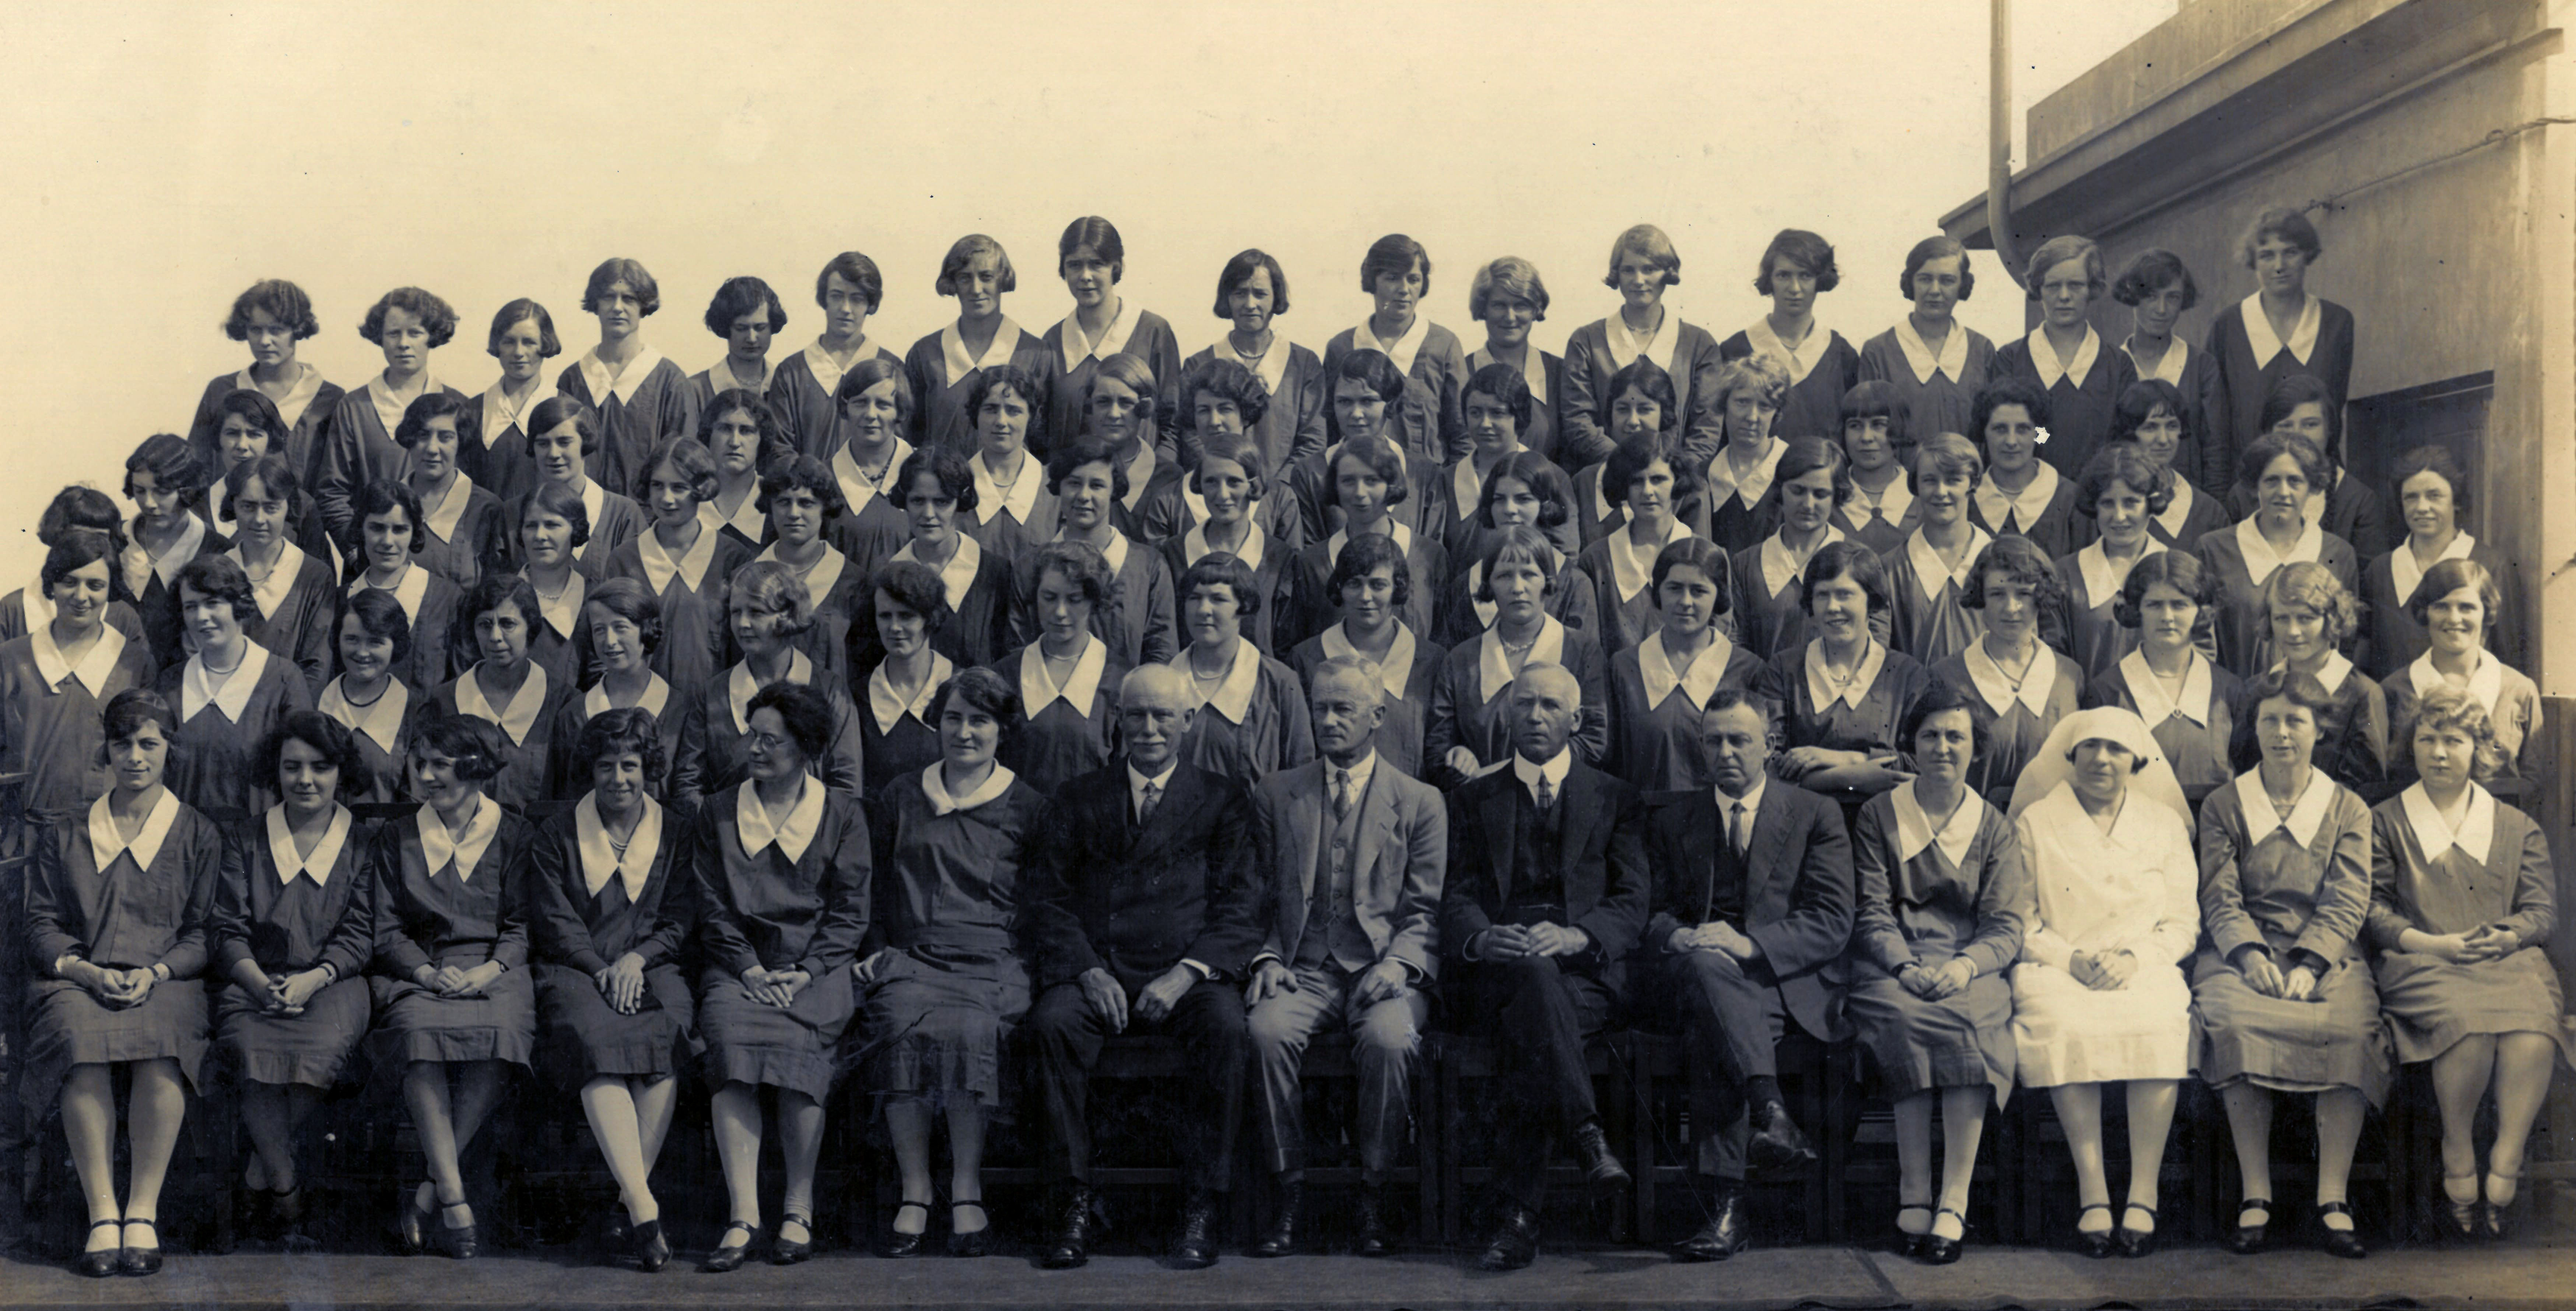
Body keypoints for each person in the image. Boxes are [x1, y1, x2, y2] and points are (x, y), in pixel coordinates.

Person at [1020, 665, 1261, 1270]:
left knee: (1228, 1030)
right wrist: (1085, 970)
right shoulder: (1077, 798)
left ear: (1187, 722)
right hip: (1099, 970)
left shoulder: (1222, 797)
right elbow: (1046, 900)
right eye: (1136, 715)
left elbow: (1241, 905)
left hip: (1185, 973)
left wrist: (1188, 972)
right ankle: (1071, 1201)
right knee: (1052, 1025)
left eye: (1162, 716)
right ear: (1117, 720)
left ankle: (1201, 1204)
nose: (1149, 728)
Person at [1439, 662, 1647, 1271]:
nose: (1534, 716)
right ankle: (1585, 1136)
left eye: (1548, 706)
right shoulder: (1472, 798)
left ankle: (1517, 1217)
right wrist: (1480, 937)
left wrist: (1577, 935)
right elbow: (1454, 894)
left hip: (1585, 976)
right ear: (1505, 716)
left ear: (1574, 719)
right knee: (1531, 989)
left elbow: (1632, 900)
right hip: (1496, 974)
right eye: (1523, 705)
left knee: (1534, 1019)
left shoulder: (1616, 797)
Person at [1243, 657, 1446, 1258]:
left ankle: (1373, 1190)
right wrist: (1264, 957)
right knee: (1263, 1031)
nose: (1328, 720)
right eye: (1320, 707)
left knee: (1390, 1041)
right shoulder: (1278, 793)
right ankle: (1288, 1188)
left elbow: (1426, 908)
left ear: (1377, 716)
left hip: (1380, 969)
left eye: (1344, 709)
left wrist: (1400, 964)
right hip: (1300, 964)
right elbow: (1253, 898)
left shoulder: (1419, 801)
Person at [1641, 692, 1855, 1262]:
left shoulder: (1814, 813)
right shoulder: (1674, 818)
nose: (1726, 752)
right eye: (1713, 741)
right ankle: (1771, 1114)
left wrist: (1750, 944)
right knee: (1708, 973)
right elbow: (1650, 911)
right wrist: (1677, 936)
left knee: (1716, 1030)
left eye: (1740, 740)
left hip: (1782, 982)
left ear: (1770, 746)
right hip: (1692, 973)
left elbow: (1832, 919)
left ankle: (1726, 1206)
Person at [2192, 669, 2388, 1260]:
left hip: (2326, 955)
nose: (2282, 734)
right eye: (2270, 720)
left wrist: (2310, 962)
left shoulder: (2347, 807)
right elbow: (2219, 894)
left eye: (2295, 721)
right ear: (2253, 728)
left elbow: (2350, 896)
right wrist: (2249, 955)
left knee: (2350, 1029)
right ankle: (2257, 1194)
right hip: (2240, 951)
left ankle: (2333, 1197)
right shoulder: (2226, 805)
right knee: (2232, 1021)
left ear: (2318, 729)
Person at [856, 667, 1046, 1259]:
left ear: (1002, 730)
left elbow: (1041, 903)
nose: (964, 732)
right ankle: (916, 1189)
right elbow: (874, 886)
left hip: (992, 960)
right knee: (899, 1023)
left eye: (979, 720)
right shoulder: (901, 795)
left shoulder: (1029, 806)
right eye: (954, 718)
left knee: (968, 1030)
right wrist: (877, 947)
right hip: (913, 956)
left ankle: (966, 1185)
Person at [22, 690, 214, 1278]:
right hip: (80, 980)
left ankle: (143, 1211)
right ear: (106, 750)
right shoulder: (67, 831)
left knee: (161, 1048)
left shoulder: (196, 833)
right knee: (82, 1045)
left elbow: (203, 931)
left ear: (169, 751)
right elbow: (42, 921)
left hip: (166, 982)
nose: (135, 756)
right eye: (122, 743)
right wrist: (82, 969)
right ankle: (102, 1212)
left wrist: (157, 972)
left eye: (149, 744)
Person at [2366, 685, 2567, 1242]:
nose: (2437, 753)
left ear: (2477, 748)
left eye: (2452, 740)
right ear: (2412, 747)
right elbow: (2373, 911)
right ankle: (2458, 1148)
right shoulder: (2386, 821)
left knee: (2531, 1029)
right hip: (2423, 961)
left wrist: (2505, 937)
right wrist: (2434, 947)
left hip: (2504, 960)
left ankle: (2506, 1155)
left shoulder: (2515, 826)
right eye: (2427, 739)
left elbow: (2540, 912)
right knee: (2470, 1031)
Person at [691, 682, 873, 1272]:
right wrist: (747, 968)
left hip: (814, 970)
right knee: (731, 1045)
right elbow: (711, 905)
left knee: (800, 1051)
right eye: (752, 735)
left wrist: (807, 971)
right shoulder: (719, 810)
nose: (755, 749)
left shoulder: (842, 814)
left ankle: (799, 1207)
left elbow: (850, 911)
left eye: (771, 740)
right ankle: (743, 1216)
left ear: (806, 749)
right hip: (737, 967)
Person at [1846, 681, 2029, 1265]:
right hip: (1891, 963)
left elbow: (2004, 925)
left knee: (1971, 1023)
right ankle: (1913, 1190)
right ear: (1911, 745)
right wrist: (1901, 965)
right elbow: (1870, 908)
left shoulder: (1994, 825)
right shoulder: (1879, 815)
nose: (1943, 748)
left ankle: (1954, 1198)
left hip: (1967, 966)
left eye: (1957, 736)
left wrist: (1964, 966)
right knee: (1904, 1019)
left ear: (1976, 747)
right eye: (1930, 736)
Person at [2006, 707, 2197, 1258]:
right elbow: (2019, 919)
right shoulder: (2037, 821)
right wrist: (2070, 960)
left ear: (2136, 759)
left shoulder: (2162, 823)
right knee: (2066, 1023)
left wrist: (2136, 958)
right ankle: (2092, 1188)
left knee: (2159, 1020)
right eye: (2089, 748)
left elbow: (2183, 922)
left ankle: (2142, 1190)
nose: (2102, 760)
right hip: (2059, 966)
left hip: (2144, 965)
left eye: (2116, 749)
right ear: (2069, 756)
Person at [528, 708, 696, 1272]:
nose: (618, 778)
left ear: (649, 767)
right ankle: (645, 1206)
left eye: (630, 765)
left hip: (652, 966)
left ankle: (628, 1198)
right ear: (589, 770)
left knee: (666, 1032)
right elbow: (554, 920)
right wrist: (600, 967)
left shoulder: (675, 831)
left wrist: (635, 959)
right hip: (575, 970)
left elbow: (678, 918)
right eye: (606, 765)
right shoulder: (556, 834)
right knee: (594, 1040)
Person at [371, 710, 537, 1261]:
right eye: (421, 765)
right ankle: (454, 1195)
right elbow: (387, 928)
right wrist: (423, 972)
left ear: (474, 768)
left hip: (493, 969)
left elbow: (521, 925)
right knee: (418, 1036)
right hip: (420, 970)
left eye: (441, 765)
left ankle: (429, 1191)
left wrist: (490, 970)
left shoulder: (513, 834)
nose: (427, 776)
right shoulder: (397, 837)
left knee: (502, 1032)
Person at [212, 711, 378, 1250]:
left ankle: (261, 1176)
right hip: (253, 981)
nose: (305, 779)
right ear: (275, 771)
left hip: (333, 984)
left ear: (341, 772)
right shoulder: (244, 838)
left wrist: (315, 979)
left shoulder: (364, 843)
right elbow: (227, 928)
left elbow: (359, 933)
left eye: (320, 767)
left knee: (321, 1050)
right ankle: (287, 1189)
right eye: (292, 767)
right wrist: (259, 984)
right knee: (252, 1051)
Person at [666, 560, 864, 815]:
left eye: (757, 612)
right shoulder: (712, 694)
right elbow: (688, 782)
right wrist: (722, 836)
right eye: (736, 612)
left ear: (788, 616)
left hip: (809, 843)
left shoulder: (829, 690)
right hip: (727, 846)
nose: (743, 624)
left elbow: (846, 784)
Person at [1426, 527, 1612, 788]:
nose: (1517, 588)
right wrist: (1458, 756)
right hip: (1482, 803)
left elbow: (1595, 741)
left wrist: (1509, 772)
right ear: (1488, 584)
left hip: (1562, 797)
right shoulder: (1460, 660)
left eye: (1529, 574)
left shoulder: (1581, 650)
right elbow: (1438, 748)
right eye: (1504, 576)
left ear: (1547, 581)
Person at [1, 532, 160, 836]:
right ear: (51, 585)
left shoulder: (135, 663)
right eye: (69, 582)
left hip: (107, 833)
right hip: (23, 834)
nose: (81, 596)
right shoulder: (10, 659)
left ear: (111, 589)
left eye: (95, 585)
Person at [1764, 542, 1929, 800]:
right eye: (1822, 595)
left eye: (1844, 595)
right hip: (1801, 821)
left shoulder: (1907, 674)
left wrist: (1843, 758)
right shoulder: (1783, 668)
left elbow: (1922, 762)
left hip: (1885, 821)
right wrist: (1849, 778)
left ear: (1871, 602)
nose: (1832, 607)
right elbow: (1767, 762)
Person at [157, 555, 314, 821]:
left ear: (238, 605)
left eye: (212, 604)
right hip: (186, 842)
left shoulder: (284, 679)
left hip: (256, 843)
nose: (201, 617)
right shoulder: (171, 683)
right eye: (191, 607)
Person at [316, 288, 472, 551]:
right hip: (376, 553)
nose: (403, 343)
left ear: (431, 337)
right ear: (380, 337)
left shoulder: (457, 406)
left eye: (415, 333)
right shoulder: (355, 407)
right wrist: (355, 551)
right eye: (393, 333)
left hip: (443, 558)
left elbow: (472, 489)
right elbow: (333, 490)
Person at [2206, 207, 2356, 478]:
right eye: (2266, 256)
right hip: (2250, 486)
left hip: (2317, 482)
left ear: (2306, 256)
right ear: (2253, 262)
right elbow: (2216, 427)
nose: (2279, 266)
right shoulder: (2227, 327)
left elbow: (2333, 416)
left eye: (2290, 252)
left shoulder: (2337, 323)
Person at [2195, 430, 2360, 675]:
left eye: (2295, 481)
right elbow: (2198, 638)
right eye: (2271, 481)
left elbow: (2345, 641)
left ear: (2312, 487)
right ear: (2254, 486)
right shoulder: (2213, 549)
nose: (2283, 492)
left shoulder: (2337, 553)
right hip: (2232, 700)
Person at [1931, 537, 2082, 803]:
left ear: (2040, 596)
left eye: (2023, 594)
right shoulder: (1946, 676)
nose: (2011, 608)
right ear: (1981, 597)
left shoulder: (2069, 677)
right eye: (1997, 594)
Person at [1562, 225, 1724, 469]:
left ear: (1668, 272)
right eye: (1628, 270)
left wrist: (1672, 474)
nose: (1639, 281)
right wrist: (1624, 467)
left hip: (1674, 485)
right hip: (1607, 478)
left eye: (1649, 269)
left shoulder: (1700, 344)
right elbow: (1578, 420)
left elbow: (1707, 426)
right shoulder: (1586, 341)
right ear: (1617, 274)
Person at [2379, 559, 2544, 797]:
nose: (2454, 619)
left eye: (2466, 607)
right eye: (2441, 607)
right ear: (2425, 613)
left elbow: (2532, 782)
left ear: (2486, 612)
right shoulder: (2393, 690)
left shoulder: (2519, 689)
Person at [2083, 551, 2240, 801]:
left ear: (2201, 612)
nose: (2167, 617)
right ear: (2137, 610)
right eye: (2154, 605)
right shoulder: (2107, 691)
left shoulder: (2229, 690)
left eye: (2179, 605)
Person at [1608, 538, 1761, 791]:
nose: (1685, 602)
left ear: (1718, 596)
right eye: (1674, 588)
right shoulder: (1624, 667)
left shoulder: (1748, 670)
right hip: (1642, 820)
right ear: (1658, 592)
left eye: (1699, 591)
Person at [606, 437, 752, 698]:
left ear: (701, 490)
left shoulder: (733, 558)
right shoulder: (624, 560)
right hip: (642, 708)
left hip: (712, 706)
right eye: (658, 486)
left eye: (679, 487)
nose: (667, 499)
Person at [1015, 436, 1177, 668]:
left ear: (1114, 490)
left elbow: (1162, 652)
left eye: (1097, 485)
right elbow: (1018, 651)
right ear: (1059, 487)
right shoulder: (1030, 566)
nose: (1084, 496)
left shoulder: (1149, 567)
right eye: (1074, 483)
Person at [1287, 535, 1440, 780]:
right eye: (1354, 584)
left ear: (1398, 588)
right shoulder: (1307, 658)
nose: (1365, 596)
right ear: (1340, 588)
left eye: (1378, 585)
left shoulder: (1431, 660)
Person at [1278, 435, 1447, 651]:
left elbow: (1442, 638)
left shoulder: (1430, 556)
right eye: (1348, 481)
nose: (1360, 493)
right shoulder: (1312, 563)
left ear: (1391, 485)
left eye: (1372, 481)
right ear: (1335, 486)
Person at [1987, 235, 2137, 479]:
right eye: (2053, 286)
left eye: (2075, 285)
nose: (2064, 296)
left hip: (2100, 502)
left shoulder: (2118, 365)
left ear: (2091, 289)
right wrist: (2044, 436)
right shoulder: (2011, 360)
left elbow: (2125, 443)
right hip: (2029, 498)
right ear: (2038, 289)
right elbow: (2006, 435)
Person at [418, 574, 568, 812]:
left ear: (530, 627)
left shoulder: (563, 703)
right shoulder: (445, 701)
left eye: (508, 624)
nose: (495, 637)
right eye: (485, 625)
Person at [990, 541, 1128, 798]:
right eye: (1050, 598)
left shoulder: (1121, 680)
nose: (1060, 612)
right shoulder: (1004, 676)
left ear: (1094, 602)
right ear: (1035, 596)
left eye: (1074, 599)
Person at [2363, 446, 2516, 676]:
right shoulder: (2381, 570)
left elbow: (2509, 661)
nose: (2422, 507)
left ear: (2456, 500)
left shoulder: (2491, 564)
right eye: (2411, 497)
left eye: (2434, 496)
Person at [557, 258, 700, 498]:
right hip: (580, 514)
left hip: (648, 519)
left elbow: (684, 465)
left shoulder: (670, 381)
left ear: (644, 305)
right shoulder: (573, 380)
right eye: (608, 297)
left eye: (629, 299)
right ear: (596, 303)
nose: (617, 307)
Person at [1322, 233, 1470, 464]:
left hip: (1426, 492)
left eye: (1413, 279)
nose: (1404, 289)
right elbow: (1330, 431)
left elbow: (1463, 435)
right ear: (1373, 281)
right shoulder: (1341, 347)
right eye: (1393, 278)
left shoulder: (1444, 345)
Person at [1168, 553, 1313, 785]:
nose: (1204, 609)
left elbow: (1300, 771)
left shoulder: (1279, 682)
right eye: (1194, 598)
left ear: (1244, 606)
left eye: (1218, 599)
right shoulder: (1165, 680)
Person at [185, 280, 344, 491]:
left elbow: (337, 480)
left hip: (305, 520)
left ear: (297, 331)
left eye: (277, 330)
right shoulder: (222, 390)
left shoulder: (329, 398)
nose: (265, 341)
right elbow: (197, 467)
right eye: (256, 330)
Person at [1041, 217, 1183, 450]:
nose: (1085, 276)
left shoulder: (1153, 331)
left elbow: (1173, 423)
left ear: (1116, 268)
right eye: (1075, 265)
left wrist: (1158, 477)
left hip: (1141, 481)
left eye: (1097, 264)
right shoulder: (1053, 341)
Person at [1184, 249, 1328, 479]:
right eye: (1240, 293)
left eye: (1260, 294)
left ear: (1276, 297)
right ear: (1227, 298)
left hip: (1286, 499)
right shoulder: (1199, 365)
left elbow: (1313, 441)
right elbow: (1190, 434)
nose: (1250, 304)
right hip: (1219, 496)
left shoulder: (1304, 365)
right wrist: (1226, 481)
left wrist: (1278, 494)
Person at [904, 233, 1052, 456]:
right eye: (965, 278)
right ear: (953, 283)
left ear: (1002, 280)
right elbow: (912, 435)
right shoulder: (925, 354)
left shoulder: (1036, 354)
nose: (976, 289)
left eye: (986, 277)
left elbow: (1043, 441)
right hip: (942, 487)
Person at [2250, 562, 2388, 794]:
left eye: (2305, 619)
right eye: (2282, 619)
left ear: (2332, 619)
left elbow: (2369, 786)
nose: (2293, 632)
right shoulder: (2259, 689)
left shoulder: (2363, 694)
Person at [1435, 451, 1598, 646]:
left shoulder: (1574, 584)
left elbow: (1583, 660)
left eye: (1523, 499)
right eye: (1499, 499)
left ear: (1545, 505)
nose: (1509, 509)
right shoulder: (1464, 586)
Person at [2224, 374, 2392, 560]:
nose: (2298, 436)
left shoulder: (2359, 501)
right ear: (2269, 433)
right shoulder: (2242, 496)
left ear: (2330, 429)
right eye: (2286, 426)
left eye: (2310, 425)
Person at [544, 577, 683, 801]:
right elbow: (560, 799)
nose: (609, 641)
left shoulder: (681, 710)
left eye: (620, 628)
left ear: (646, 631)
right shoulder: (573, 716)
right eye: (599, 630)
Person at [1720, 228, 1860, 442]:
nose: (1795, 288)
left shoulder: (1842, 355)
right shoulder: (1736, 350)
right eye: (1784, 275)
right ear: (1770, 280)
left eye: (1805, 276)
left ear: (1820, 280)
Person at [1858, 235, 1995, 451]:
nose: (1934, 290)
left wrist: (2040, 440)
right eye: (1925, 279)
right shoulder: (1878, 352)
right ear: (1910, 282)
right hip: (1901, 483)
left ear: (1963, 285)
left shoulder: (1982, 350)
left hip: (1969, 482)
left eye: (1947, 280)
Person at [1156, 431, 1288, 653]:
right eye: (1211, 482)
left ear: (1253, 486)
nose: (1223, 495)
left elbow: (1285, 645)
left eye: (1234, 482)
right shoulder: (1174, 554)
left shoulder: (1280, 558)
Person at [883, 448, 1015, 669]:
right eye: (918, 501)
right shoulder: (886, 577)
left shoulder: (996, 575)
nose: (928, 514)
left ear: (960, 503)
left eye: (942, 502)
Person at [1573, 429, 1700, 654]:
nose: (1648, 491)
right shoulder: (1596, 561)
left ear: (1678, 482)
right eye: (1637, 482)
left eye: (1658, 479)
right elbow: (1588, 652)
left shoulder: (1706, 556)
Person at [2110, 250, 2227, 492]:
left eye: (2172, 298)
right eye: (2151, 297)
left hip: (2188, 506)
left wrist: (2214, 511)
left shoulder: (2201, 367)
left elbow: (2217, 450)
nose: (2161, 309)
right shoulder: (2109, 366)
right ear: (2133, 296)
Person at [767, 252, 900, 460]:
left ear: (870, 305)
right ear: (824, 300)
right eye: (837, 296)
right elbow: (780, 449)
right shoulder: (791, 372)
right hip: (807, 490)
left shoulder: (892, 369)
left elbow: (901, 446)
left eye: (857, 299)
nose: (846, 309)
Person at [1437, 362, 1570, 565]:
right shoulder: (1447, 481)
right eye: (1475, 413)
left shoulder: (1552, 476)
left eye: (1497, 413)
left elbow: (1565, 556)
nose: (1485, 424)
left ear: (1520, 416)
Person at [500, 396, 645, 580]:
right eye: (543, 444)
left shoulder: (622, 514)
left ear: (585, 443)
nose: (554, 454)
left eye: (564, 442)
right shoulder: (512, 512)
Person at [1731, 436, 1850, 659]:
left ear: (1837, 496)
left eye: (1821, 494)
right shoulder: (1745, 565)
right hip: (1764, 692)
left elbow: (1874, 647)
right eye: (1798, 491)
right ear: (1780, 489)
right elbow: (1736, 650)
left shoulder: (1859, 561)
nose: (1808, 504)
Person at [2057, 444, 2168, 682]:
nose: (2119, 516)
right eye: (2107, 503)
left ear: (2151, 504)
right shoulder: (2066, 575)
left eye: (2131, 502)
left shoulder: (2177, 573)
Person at [1882, 434, 1994, 667]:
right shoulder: (1890, 569)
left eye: (1953, 480)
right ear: (1916, 486)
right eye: (1930, 481)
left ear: (1973, 483)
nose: (1941, 492)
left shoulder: (2000, 562)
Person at [751, 454, 864, 682]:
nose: (794, 513)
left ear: (825, 507)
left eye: (806, 503)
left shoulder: (855, 583)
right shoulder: (749, 578)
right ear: (770, 506)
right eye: (784, 502)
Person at [122, 432, 227, 672]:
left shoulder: (217, 551)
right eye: (140, 491)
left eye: (161, 492)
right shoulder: (115, 541)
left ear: (187, 490)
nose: (149, 503)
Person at [346, 480, 465, 692]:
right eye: (377, 528)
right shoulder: (342, 600)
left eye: (400, 530)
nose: (388, 541)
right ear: (361, 529)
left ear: (414, 533)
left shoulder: (447, 599)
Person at [856, 561, 957, 798]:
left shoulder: (962, 689)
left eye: (906, 616)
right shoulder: (857, 697)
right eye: (885, 616)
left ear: (930, 618)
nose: (895, 628)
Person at [203, 390, 335, 568]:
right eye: (232, 433)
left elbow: (320, 580)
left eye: (254, 434)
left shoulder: (302, 505)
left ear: (271, 440)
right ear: (218, 439)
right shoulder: (199, 506)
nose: (242, 445)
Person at [0, 486, 144, 649]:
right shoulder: (14, 610)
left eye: (100, 538)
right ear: (56, 536)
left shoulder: (122, 615)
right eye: (76, 536)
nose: (87, 546)